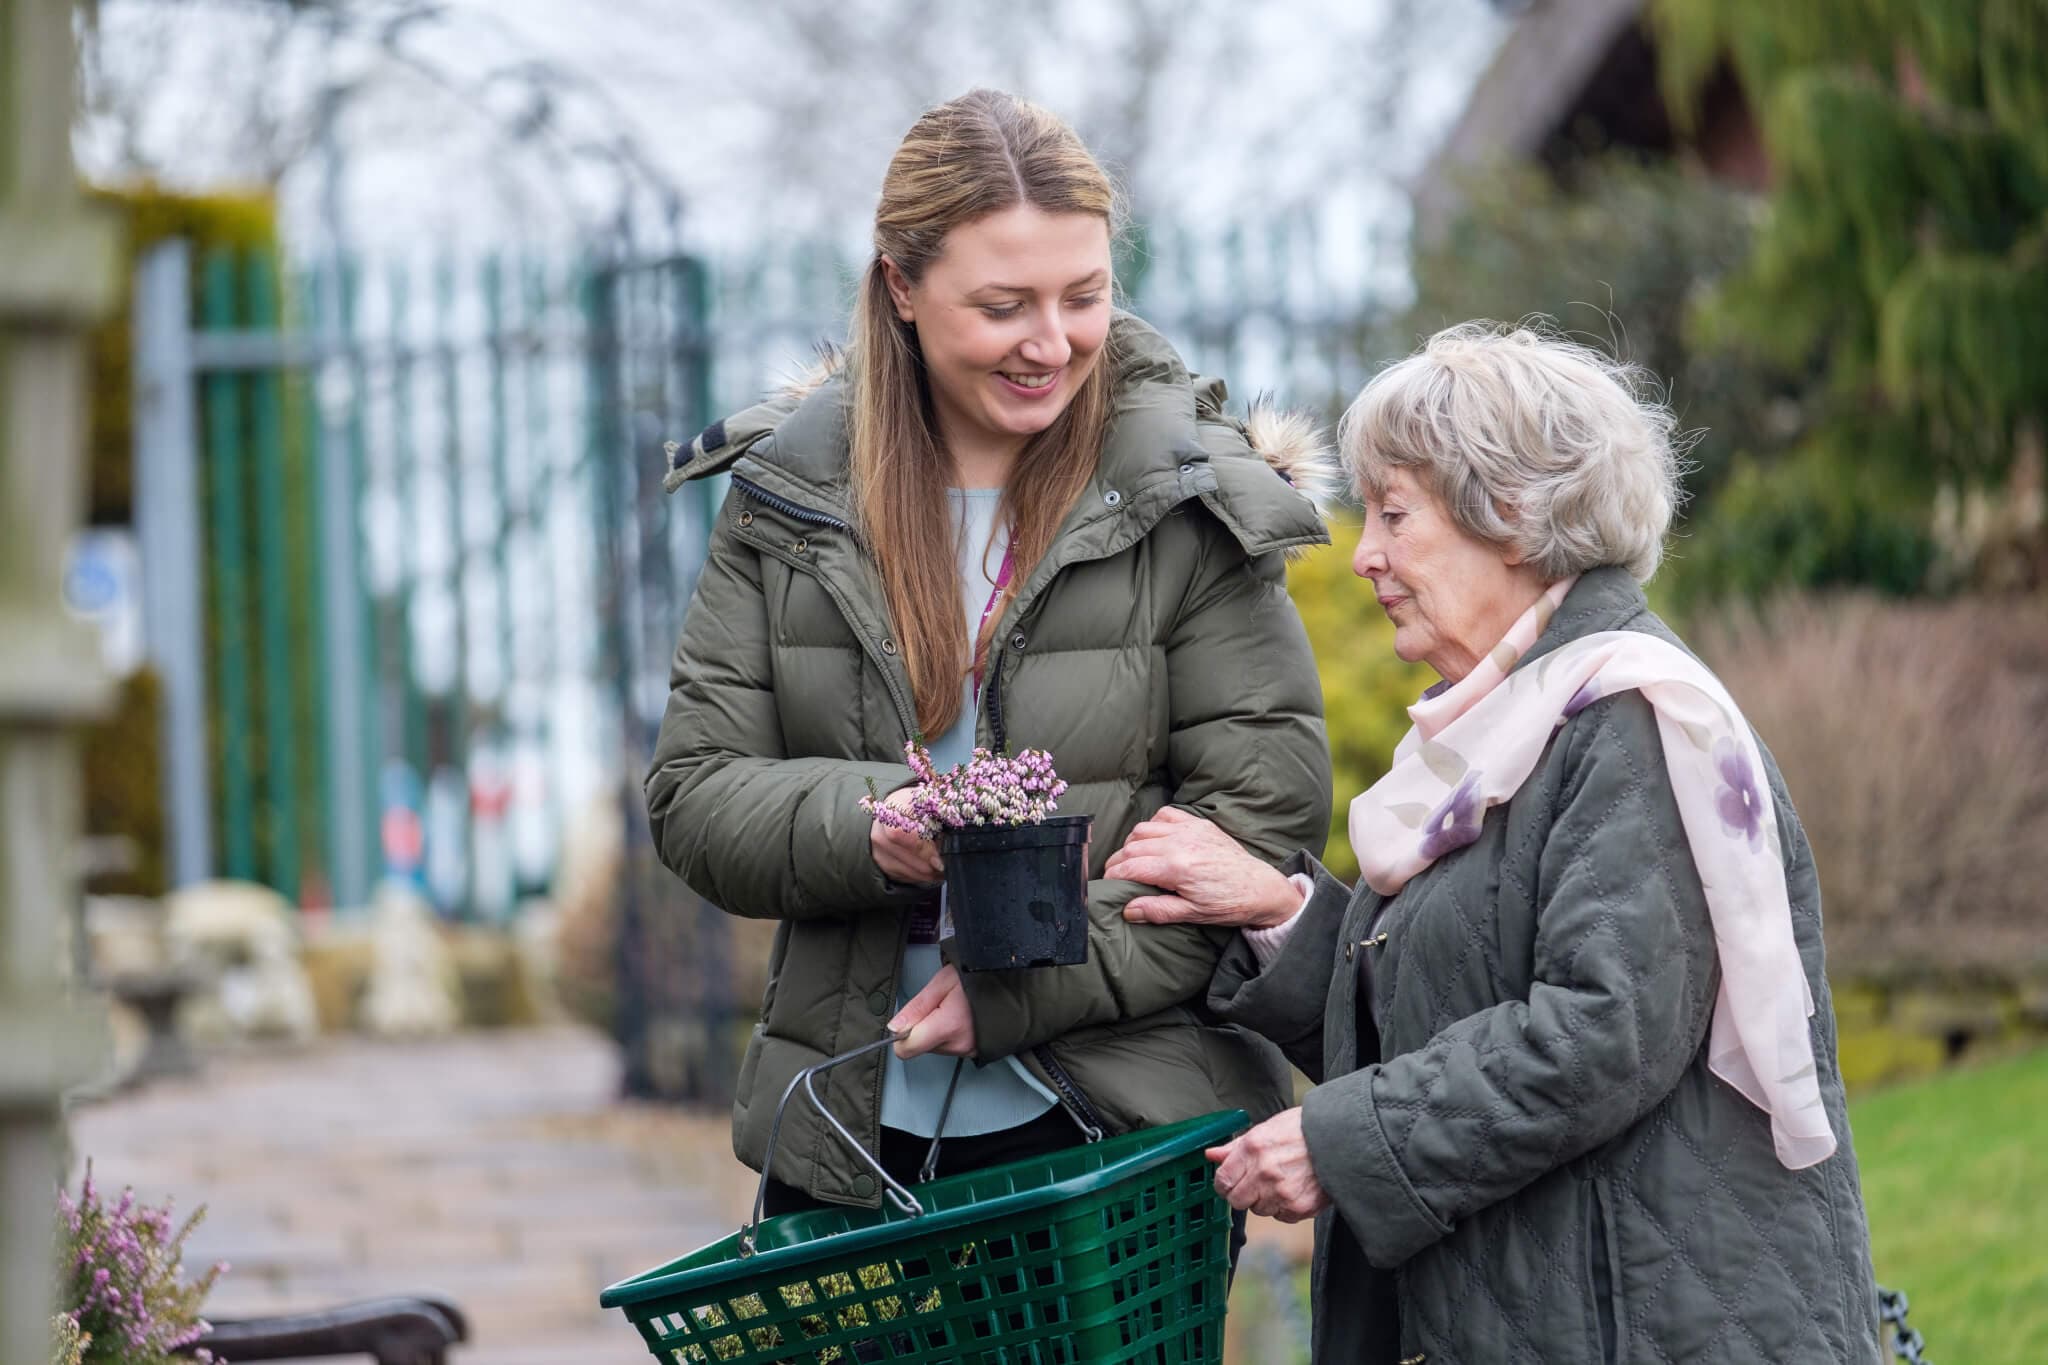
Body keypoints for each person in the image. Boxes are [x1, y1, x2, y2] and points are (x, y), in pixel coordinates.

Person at [1106, 322, 1880, 1362]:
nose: (1363, 552)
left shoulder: (1633, 720)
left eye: (1392, 513)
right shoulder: (1504, 730)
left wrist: (1345, 1142)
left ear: (1510, 518)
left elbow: (1601, 1032)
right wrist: (1280, 916)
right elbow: (1448, 1000)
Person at [645, 89, 1333, 1225]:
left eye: (1083, 298)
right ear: (900, 289)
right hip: (850, 1142)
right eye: (1002, 305)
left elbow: (1254, 837)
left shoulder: (1187, 498)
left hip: (1120, 1141)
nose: (1050, 343)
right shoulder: (787, 497)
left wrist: (1018, 994)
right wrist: (876, 828)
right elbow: (695, 795)